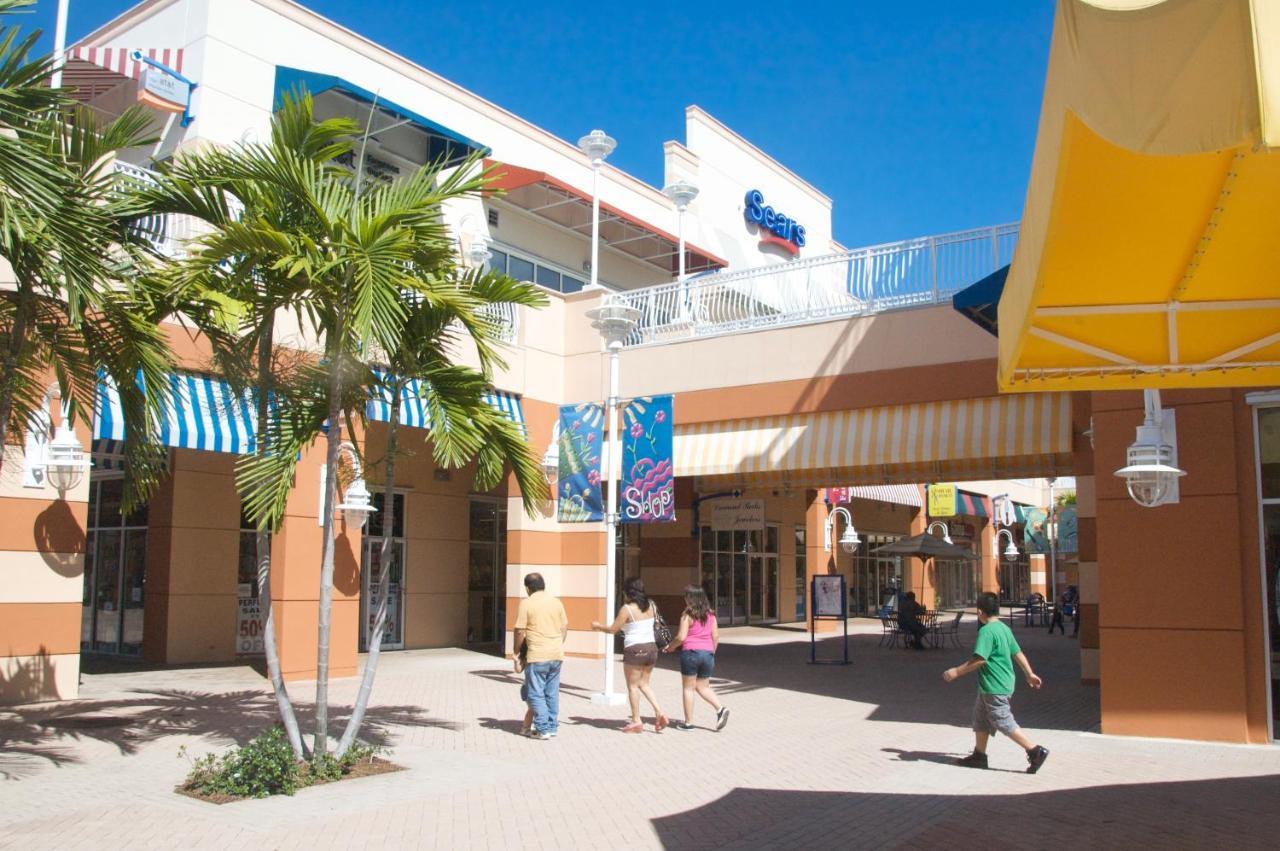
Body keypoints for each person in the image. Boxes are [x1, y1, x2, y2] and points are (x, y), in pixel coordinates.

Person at [943, 591, 1050, 773]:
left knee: (1002, 720)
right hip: (997, 684)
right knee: (981, 719)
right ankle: (979, 755)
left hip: (995, 685)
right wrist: (1029, 674)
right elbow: (1017, 653)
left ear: (979, 612)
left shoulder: (986, 631)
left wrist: (956, 672)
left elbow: (979, 660)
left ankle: (1035, 751)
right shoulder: (1003, 628)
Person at [591, 576, 669, 733]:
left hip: (635, 649)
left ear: (628, 592)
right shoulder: (651, 605)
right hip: (652, 648)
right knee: (644, 684)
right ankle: (659, 712)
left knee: (632, 686)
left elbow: (613, 629)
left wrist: (598, 627)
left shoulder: (627, 609)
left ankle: (636, 720)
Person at [662, 585, 730, 731]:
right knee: (703, 686)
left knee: (688, 688)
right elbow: (716, 636)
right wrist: (711, 652)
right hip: (708, 653)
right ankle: (720, 709)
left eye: (686, 597)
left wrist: (670, 647)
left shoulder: (687, 615)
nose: (684, 599)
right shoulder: (711, 615)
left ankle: (688, 723)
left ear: (690, 599)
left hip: (691, 653)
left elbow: (681, 637)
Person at [513, 572, 568, 740]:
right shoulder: (556, 602)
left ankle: (542, 728)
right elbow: (564, 627)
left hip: (537, 655)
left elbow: (520, 630)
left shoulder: (527, 603)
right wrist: (558, 644)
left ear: (528, 588)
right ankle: (552, 726)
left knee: (535, 694)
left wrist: (515, 651)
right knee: (551, 692)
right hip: (556, 654)